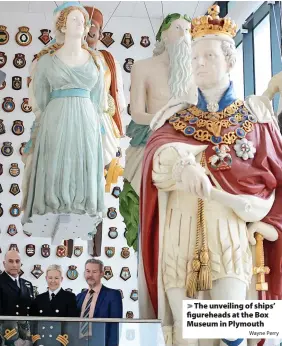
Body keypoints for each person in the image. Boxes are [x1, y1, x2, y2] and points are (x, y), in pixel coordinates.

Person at [139, 5, 282, 346]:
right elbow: (156, 161)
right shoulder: (173, 118)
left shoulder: (255, 116)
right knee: (187, 336)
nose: (199, 63)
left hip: (231, 234)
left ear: (230, 60)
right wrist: (181, 164)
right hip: (180, 235)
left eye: (208, 55)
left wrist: (269, 222)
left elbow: (277, 174)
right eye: (194, 57)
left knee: (230, 329)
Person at [21, 2, 105, 238]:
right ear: (62, 26)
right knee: (56, 159)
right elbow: (40, 97)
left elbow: (98, 100)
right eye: (73, 20)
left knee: (83, 159)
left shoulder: (96, 61)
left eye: (82, 20)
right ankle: (51, 202)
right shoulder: (47, 61)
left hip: (87, 117)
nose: (80, 24)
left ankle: (82, 205)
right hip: (56, 115)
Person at [120, 13, 197, 251]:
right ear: (163, 34)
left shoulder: (192, 73)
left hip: (186, 146)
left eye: (188, 30)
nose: (184, 35)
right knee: (149, 205)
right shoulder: (143, 67)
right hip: (149, 142)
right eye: (177, 28)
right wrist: (164, 121)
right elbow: (137, 114)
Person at [76, 259, 123, 346]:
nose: (90, 275)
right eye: (88, 271)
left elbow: (114, 327)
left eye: (94, 272)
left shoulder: (113, 295)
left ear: (102, 273)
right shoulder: (79, 297)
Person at [0, 250, 34, 344]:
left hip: (26, 336)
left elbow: (31, 312)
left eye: (17, 261)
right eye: (10, 261)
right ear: (4, 263)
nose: (14, 265)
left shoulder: (27, 284)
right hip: (6, 336)